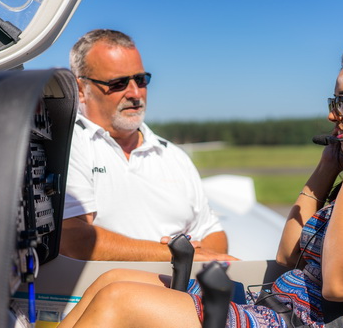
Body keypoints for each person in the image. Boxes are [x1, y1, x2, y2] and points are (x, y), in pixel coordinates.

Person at [58, 42, 343, 327]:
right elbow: (288, 259)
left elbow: (340, 285)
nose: (333, 116)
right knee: (113, 280)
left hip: (317, 322)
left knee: (119, 302)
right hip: (280, 307)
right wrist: (324, 176)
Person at [61, 29, 234, 262]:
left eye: (141, 80)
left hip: (176, 294)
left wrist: (195, 259)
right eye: (118, 83)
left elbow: (213, 232)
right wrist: (175, 255)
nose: (135, 93)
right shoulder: (69, 145)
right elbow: (74, 239)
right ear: (81, 90)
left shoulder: (173, 156)